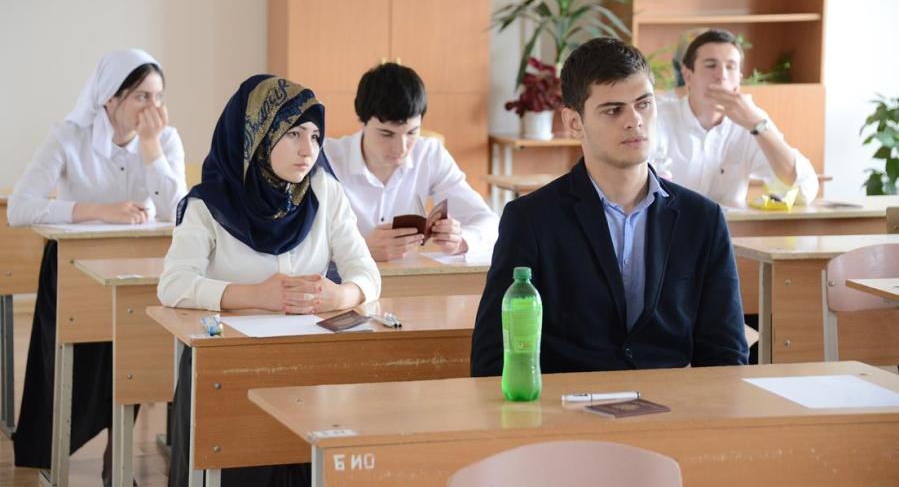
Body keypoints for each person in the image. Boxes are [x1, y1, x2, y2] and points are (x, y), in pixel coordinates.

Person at [470, 37, 748, 377]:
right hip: (566, 403)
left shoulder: (702, 219)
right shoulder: (531, 219)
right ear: (574, 122)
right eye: (613, 110)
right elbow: (494, 356)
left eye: (644, 104)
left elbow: (725, 354)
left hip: (670, 403)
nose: (634, 120)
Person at [158, 75, 380, 487]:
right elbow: (173, 285)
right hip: (229, 366)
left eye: (315, 136)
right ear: (255, 135)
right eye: (293, 133)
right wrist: (255, 296)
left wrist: (341, 295)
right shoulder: (208, 204)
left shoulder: (325, 191)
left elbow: (367, 273)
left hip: (309, 361)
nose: (308, 150)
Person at [9, 49, 186, 482]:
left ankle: (117, 453)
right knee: (80, 366)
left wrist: (150, 149)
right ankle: (55, 453)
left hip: (140, 268)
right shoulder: (68, 137)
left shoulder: (165, 140)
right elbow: (20, 207)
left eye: (159, 97)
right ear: (111, 98)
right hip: (76, 270)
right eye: (142, 97)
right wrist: (96, 211)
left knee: (136, 360)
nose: (153, 109)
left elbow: (179, 212)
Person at [323, 62, 498, 261]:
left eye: (412, 132)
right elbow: (299, 244)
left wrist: (461, 240)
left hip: (408, 275)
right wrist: (358, 248)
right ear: (362, 121)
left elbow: (488, 222)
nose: (401, 148)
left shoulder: (429, 154)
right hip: (343, 277)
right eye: (387, 134)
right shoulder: (326, 158)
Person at [652, 29, 819, 207]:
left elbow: (805, 191)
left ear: (739, 79)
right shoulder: (659, 118)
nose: (722, 75)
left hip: (729, 225)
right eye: (711, 65)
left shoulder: (753, 123)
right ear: (688, 75)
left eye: (730, 67)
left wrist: (757, 126)